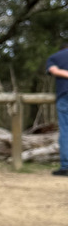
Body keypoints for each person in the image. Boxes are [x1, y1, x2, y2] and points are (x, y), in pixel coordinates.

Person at [46, 42, 68, 176]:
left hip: (65, 95)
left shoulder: (54, 57)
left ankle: (66, 166)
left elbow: (54, 71)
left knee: (65, 130)